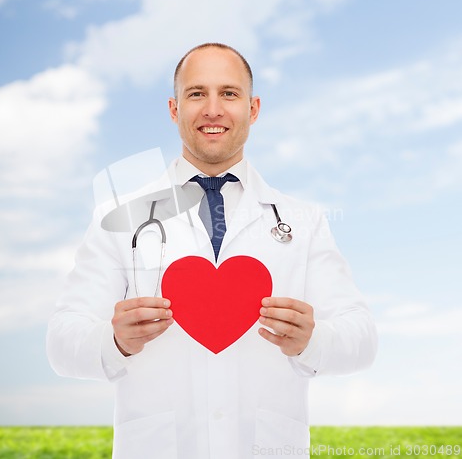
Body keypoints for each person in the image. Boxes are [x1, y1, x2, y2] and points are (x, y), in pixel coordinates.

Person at [47, 42, 377, 459]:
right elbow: (61, 342)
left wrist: (312, 341)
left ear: (254, 109)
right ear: (174, 109)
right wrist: (114, 341)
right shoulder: (118, 217)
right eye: (197, 93)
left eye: (230, 93)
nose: (213, 109)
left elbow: (362, 338)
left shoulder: (303, 221)